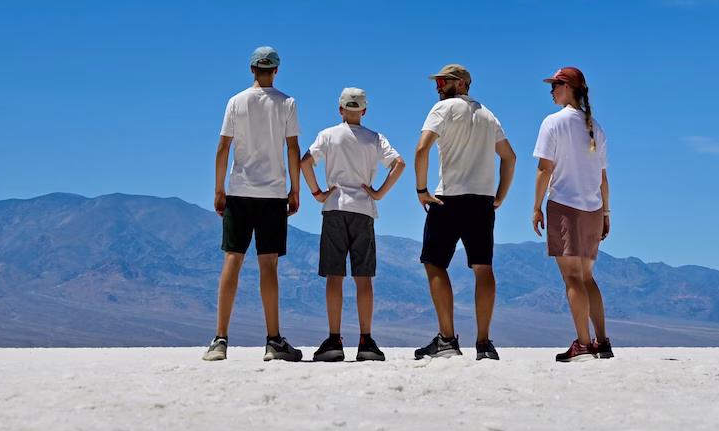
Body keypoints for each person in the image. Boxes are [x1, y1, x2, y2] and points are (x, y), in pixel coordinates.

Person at [205, 45, 304, 363]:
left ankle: (220, 340)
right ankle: (273, 341)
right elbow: (293, 148)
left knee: (231, 262)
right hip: (273, 195)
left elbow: (223, 148)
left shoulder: (236, 101)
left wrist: (220, 189)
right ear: (276, 70)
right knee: (269, 267)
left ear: (251, 70)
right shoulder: (287, 103)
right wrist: (295, 189)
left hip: (239, 192)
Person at [412, 63, 516, 361]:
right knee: (483, 268)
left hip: (448, 200)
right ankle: (483, 343)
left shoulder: (442, 110)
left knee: (434, 264)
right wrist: (499, 196)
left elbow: (422, 149)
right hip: (482, 202)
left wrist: (421, 190)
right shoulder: (488, 115)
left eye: (442, 81)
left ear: (460, 84)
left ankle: (447, 339)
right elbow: (509, 157)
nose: (437, 87)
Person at [298, 86, 405, 362]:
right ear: (365, 111)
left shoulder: (328, 135)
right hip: (364, 211)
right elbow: (399, 164)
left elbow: (305, 163)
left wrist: (317, 193)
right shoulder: (374, 138)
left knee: (335, 276)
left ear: (341, 109)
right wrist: (379, 193)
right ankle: (366, 342)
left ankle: (334, 340)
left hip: (334, 208)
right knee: (363, 278)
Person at [530, 65, 612, 362]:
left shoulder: (553, 123)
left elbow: (544, 169)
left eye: (555, 85)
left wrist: (536, 206)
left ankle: (582, 343)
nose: (551, 90)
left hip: (565, 206)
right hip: (592, 209)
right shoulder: (596, 128)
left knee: (572, 279)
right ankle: (602, 342)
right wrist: (606, 212)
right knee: (587, 277)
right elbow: (603, 177)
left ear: (568, 88)